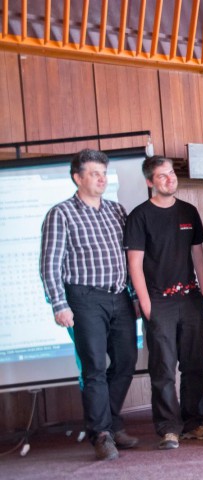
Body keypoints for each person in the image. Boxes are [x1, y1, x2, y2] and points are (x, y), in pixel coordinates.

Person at [40, 149, 138, 461]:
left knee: (126, 361)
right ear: (77, 178)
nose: (102, 179)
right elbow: (50, 264)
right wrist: (59, 304)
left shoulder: (116, 211)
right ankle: (103, 434)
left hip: (119, 296)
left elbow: (129, 258)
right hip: (83, 299)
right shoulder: (61, 213)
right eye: (95, 174)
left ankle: (109, 423)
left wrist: (135, 297)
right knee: (94, 366)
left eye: (104, 173)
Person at [125, 156, 203, 450]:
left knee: (195, 365)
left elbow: (198, 254)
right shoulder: (139, 216)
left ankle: (193, 423)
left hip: (190, 299)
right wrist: (146, 305)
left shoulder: (188, 211)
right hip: (158, 302)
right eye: (162, 176)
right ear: (150, 182)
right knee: (163, 368)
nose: (170, 179)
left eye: (171, 174)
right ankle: (168, 429)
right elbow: (134, 265)